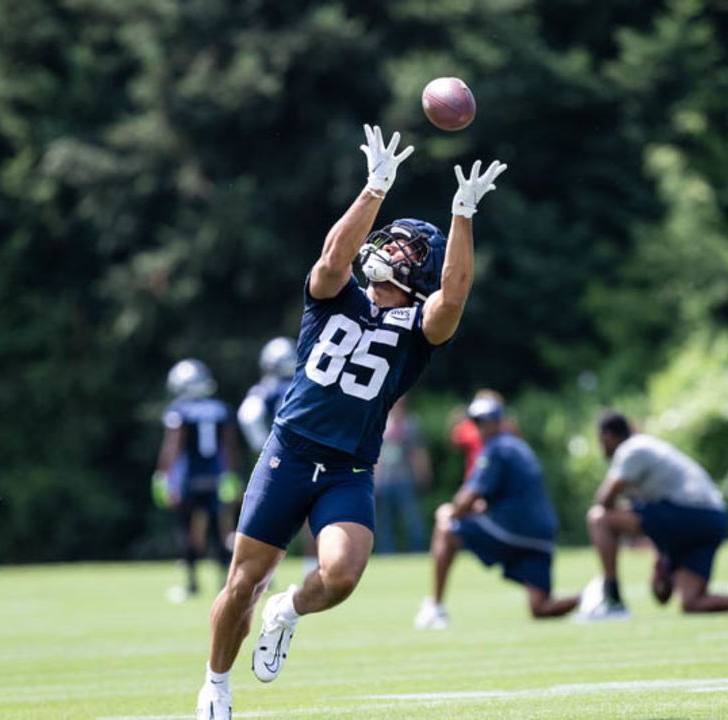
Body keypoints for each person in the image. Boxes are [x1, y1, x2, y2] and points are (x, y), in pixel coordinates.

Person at [195, 124, 506, 720]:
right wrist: (375, 188)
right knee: (241, 583)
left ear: (421, 273)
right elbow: (333, 256)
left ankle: (288, 610)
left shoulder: (419, 329)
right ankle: (216, 684)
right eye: (394, 241)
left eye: (409, 251)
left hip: (347, 469)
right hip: (289, 452)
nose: (392, 250)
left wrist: (462, 216)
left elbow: (455, 297)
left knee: (340, 576)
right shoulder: (333, 296)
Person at [579, 410, 728, 618]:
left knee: (599, 519)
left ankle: (612, 599)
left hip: (691, 514)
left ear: (607, 435)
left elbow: (604, 500)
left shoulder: (632, 449)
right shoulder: (648, 447)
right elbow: (661, 595)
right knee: (692, 602)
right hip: (713, 519)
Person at [415, 395, 579, 629]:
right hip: (542, 536)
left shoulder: (495, 449)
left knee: (446, 529)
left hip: (513, 528)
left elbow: (468, 498)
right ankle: (592, 599)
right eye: (477, 422)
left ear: (497, 422)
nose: (480, 428)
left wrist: (449, 512)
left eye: (483, 422)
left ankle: (435, 608)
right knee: (540, 607)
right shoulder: (517, 446)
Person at [154, 358, 243, 602]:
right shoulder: (220, 409)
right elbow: (230, 447)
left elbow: (173, 446)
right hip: (217, 477)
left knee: (187, 532)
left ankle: (192, 584)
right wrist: (233, 476)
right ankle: (226, 581)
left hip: (189, 479)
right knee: (220, 529)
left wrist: (163, 474)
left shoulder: (179, 411)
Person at [238, 337, 320, 576]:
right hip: (309, 454)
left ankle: (263, 569)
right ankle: (310, 567)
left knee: (269, 514)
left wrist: (263, 444)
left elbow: (248, 416)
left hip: (277, 454)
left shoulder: (266, 389)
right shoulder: (305, 382)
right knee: (310, 511)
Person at [373, 396, 431, 553]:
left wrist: (423, 473)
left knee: (413, 519)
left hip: (405, 479)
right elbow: (376, 455)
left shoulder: (411, 423)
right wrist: (374, 479)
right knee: (385, 522)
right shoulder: (381, 422)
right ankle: (386, 554)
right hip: (384, 480)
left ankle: (417, 552)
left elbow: (418, 452)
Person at [448, 388, 519, 484]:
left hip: (499, 481)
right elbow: (455, 443)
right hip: (475, 481)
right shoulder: (470, 428)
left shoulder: (506, 428)